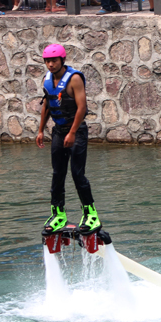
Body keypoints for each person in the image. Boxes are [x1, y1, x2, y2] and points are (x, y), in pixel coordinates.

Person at [36, 44, 101, 237]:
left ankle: (91, 215)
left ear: (62, 60)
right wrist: (40, 130)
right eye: (47, 61)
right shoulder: (47, 79)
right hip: (58, 131)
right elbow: (47, 105)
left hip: (77, 131)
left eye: (54, 61)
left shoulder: (74, 79)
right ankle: (58, 214)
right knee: (57, 174)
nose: (50, 64)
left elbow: (82, 108)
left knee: (77, 174)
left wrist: (72, 133)